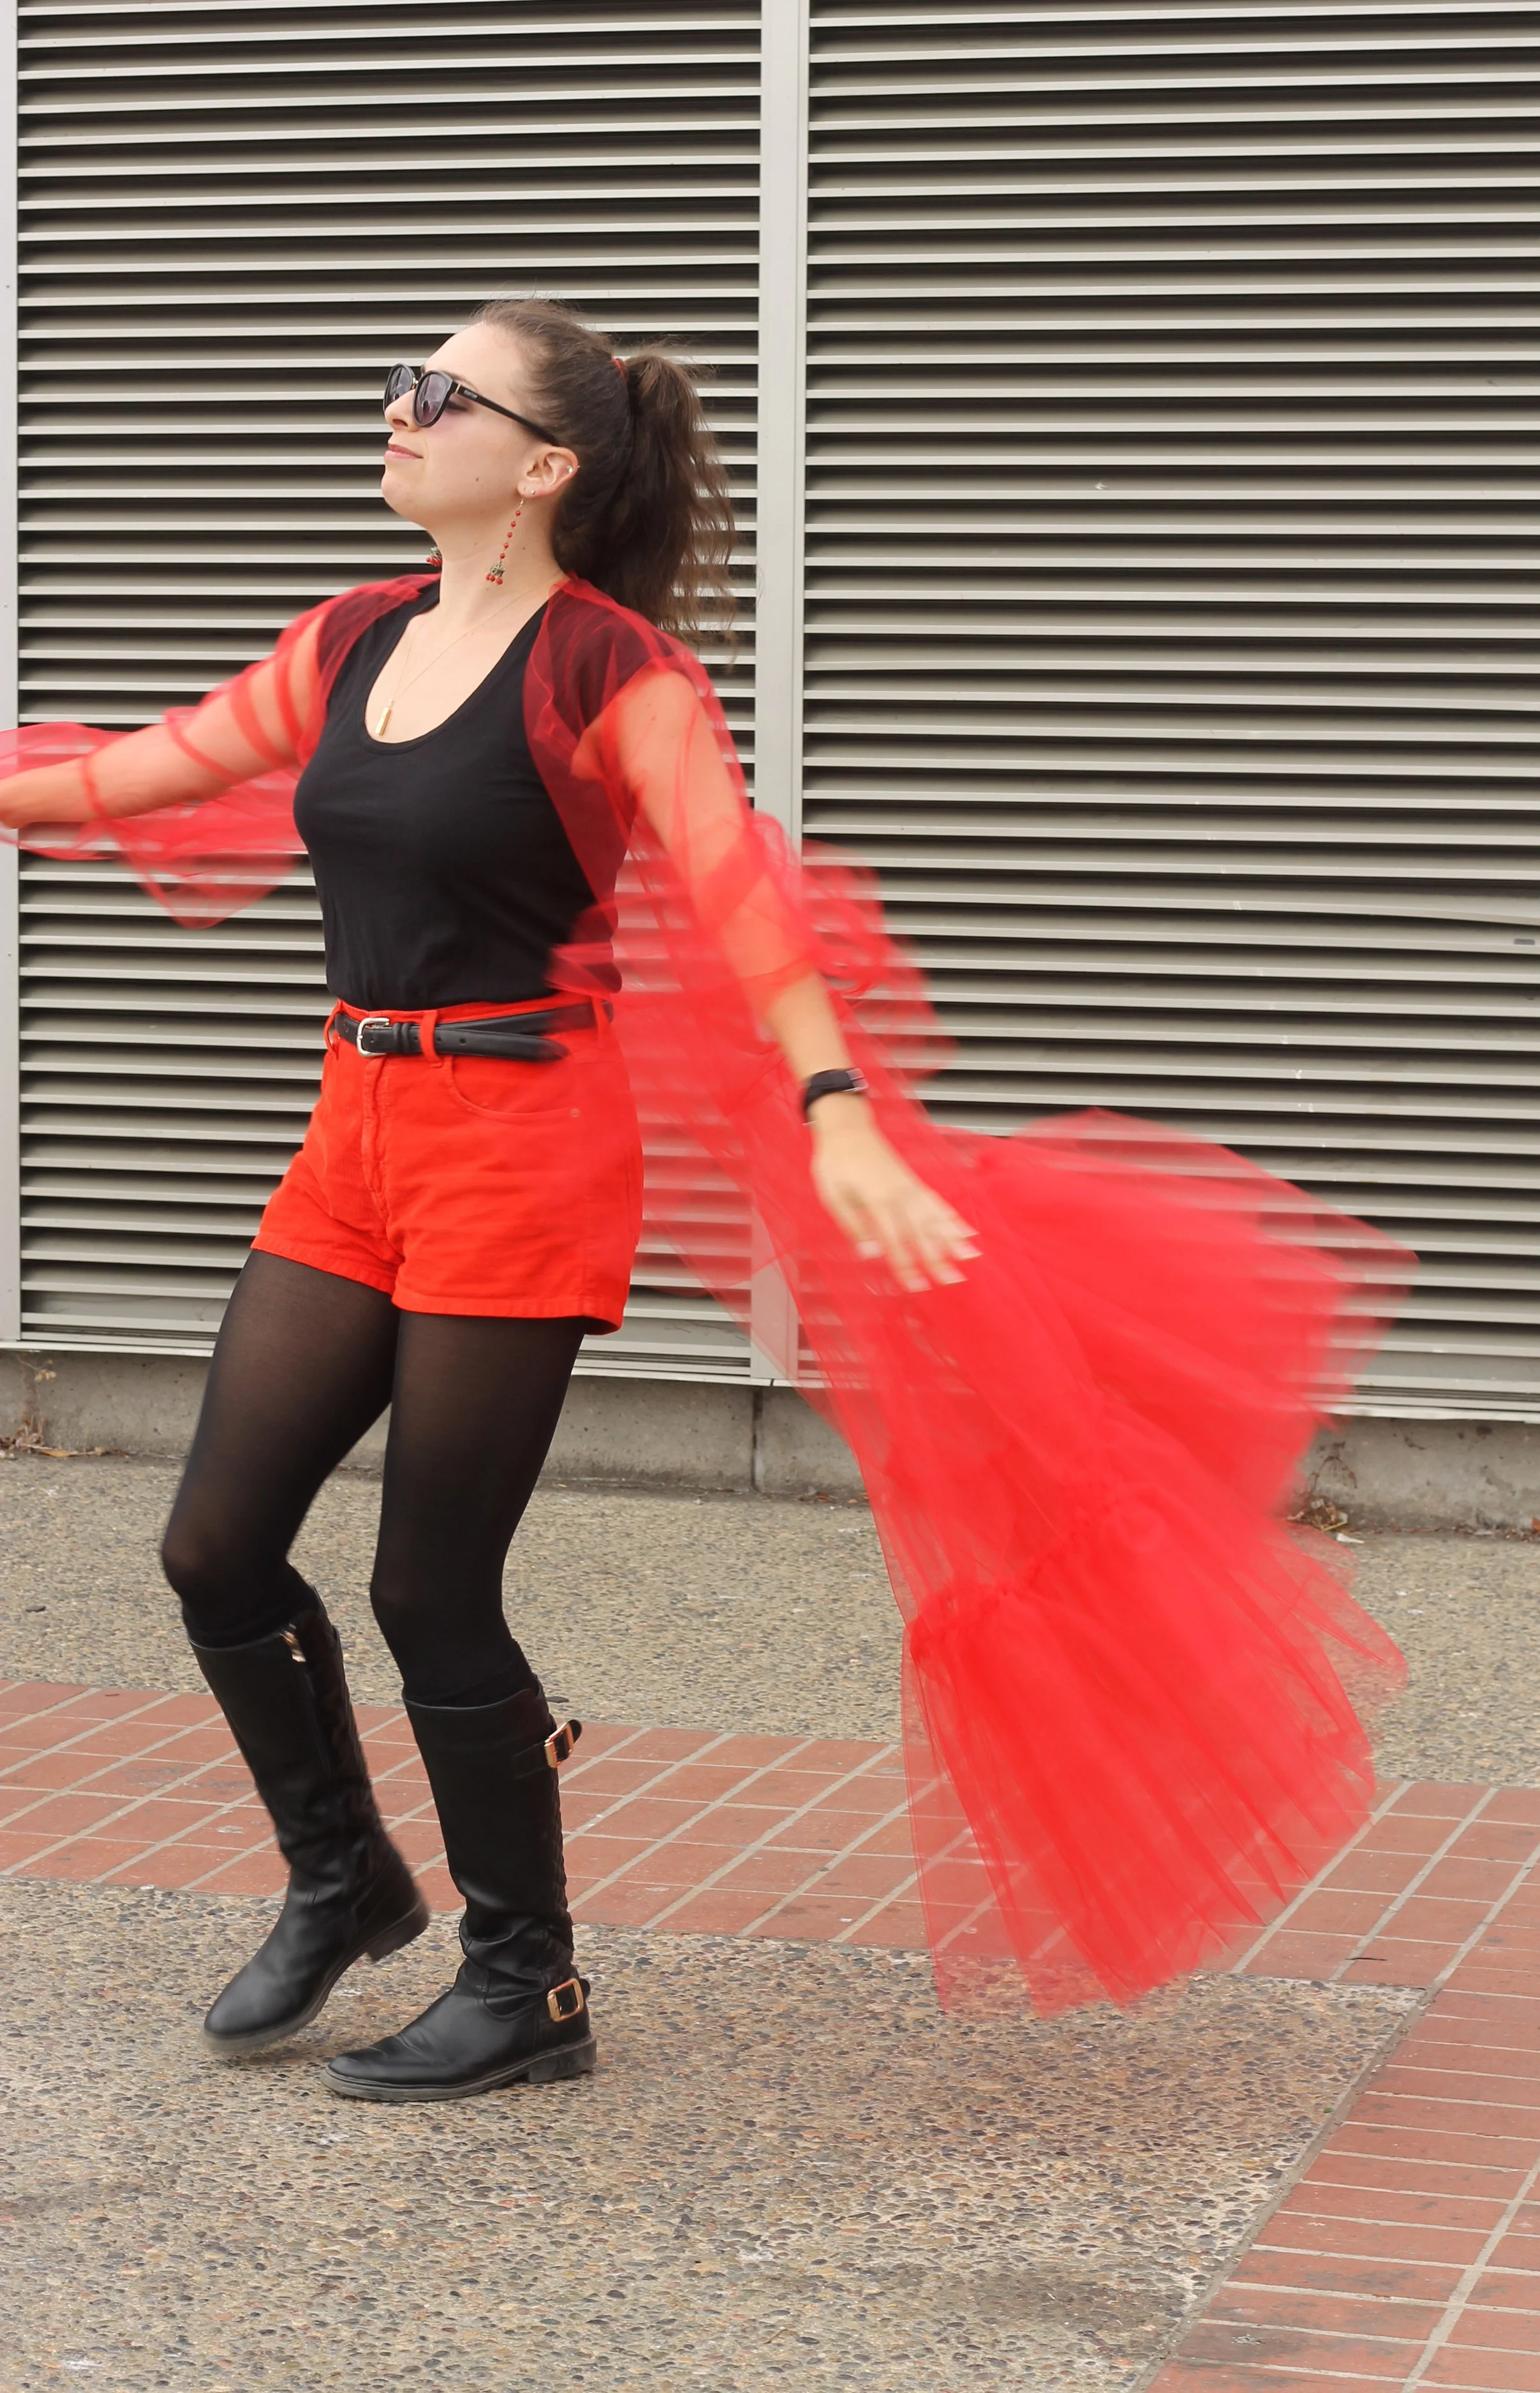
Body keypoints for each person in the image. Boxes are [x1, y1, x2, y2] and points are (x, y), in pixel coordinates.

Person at [0, 299, 1412, 2089]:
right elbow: (136, 772)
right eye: (400, 384)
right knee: (211, 1540)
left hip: (522, 1142)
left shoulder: (612, 678)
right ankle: (344, 1873)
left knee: (432, 1584)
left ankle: (527, 1983)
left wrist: (832, 1106)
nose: (395, 411)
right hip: (351, 1131)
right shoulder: (350, 638)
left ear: (540, 465)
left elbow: (743, 901)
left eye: (435, 395)